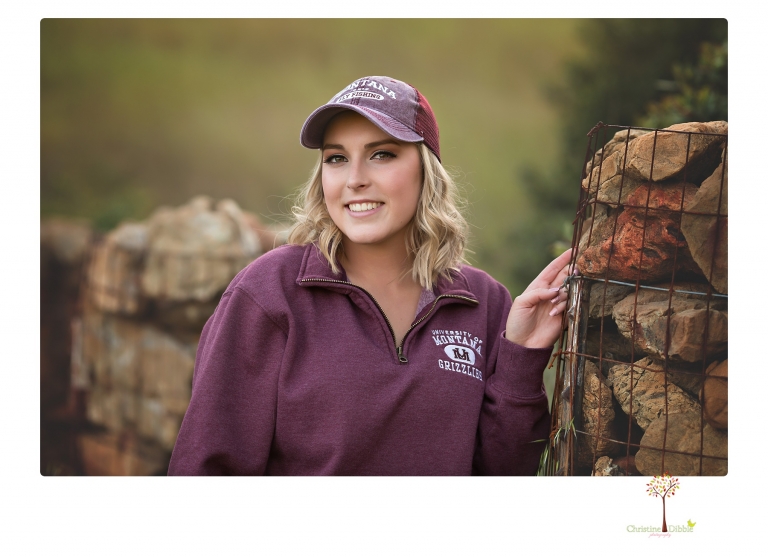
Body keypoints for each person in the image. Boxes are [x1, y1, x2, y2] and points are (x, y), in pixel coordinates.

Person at [167, 75, 572, 476]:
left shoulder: (484, 303)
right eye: (336, 158)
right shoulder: (269, 294)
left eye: (382, 154)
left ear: (426, 169)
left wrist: (522, 355)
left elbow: (505, 474)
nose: (355, 178)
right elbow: (207, 468)